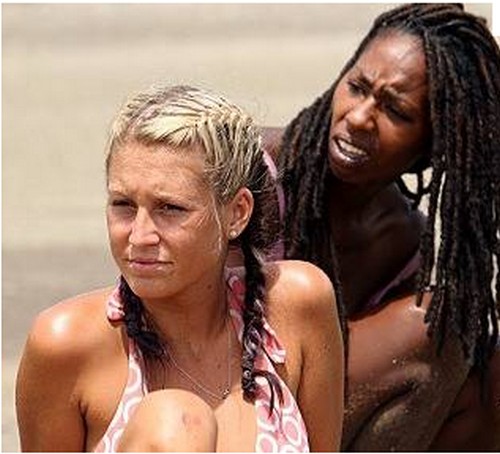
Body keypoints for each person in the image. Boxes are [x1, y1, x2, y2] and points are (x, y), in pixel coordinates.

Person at [15, 84, 344, 452]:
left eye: (170, 209)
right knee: (177, 421)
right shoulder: (67, 344)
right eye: (123, 205)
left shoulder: (296, 308)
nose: (139, 236)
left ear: (237, 213)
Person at [263, 3, 500, 451]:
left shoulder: (403, 241)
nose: (358, 117)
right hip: (219, 400)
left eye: (396, 111)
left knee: (486, 377)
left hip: (311, 412)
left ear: (433, 145)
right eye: (357, 87)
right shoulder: (258, 173)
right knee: (436, 324)